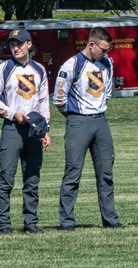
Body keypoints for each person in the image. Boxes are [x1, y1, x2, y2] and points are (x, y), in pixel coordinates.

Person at [53, 27, 123, 229]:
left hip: (101, 120)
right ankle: (66, 221)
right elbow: (59, 99)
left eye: (108, 50)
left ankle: (111, 220)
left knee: (106, 173)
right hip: (78, 121)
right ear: (91, 44)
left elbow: (107, 92)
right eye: (102, 49)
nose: (105, 53)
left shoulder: (107, 63)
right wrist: (74, 117)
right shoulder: (72, 64)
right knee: (73, 172)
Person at [0, 28, 51, 234]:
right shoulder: (3, 69)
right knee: (7, 176)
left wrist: (45, 129)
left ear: (29, 45)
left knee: (32, 178)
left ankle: (30, 223)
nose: (15, 48)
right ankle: (4, 224)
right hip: (12, 128)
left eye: (19, 44)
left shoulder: (39, 69)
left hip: (34, 130)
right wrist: (12, 113)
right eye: (13, 44)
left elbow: (43, 102)